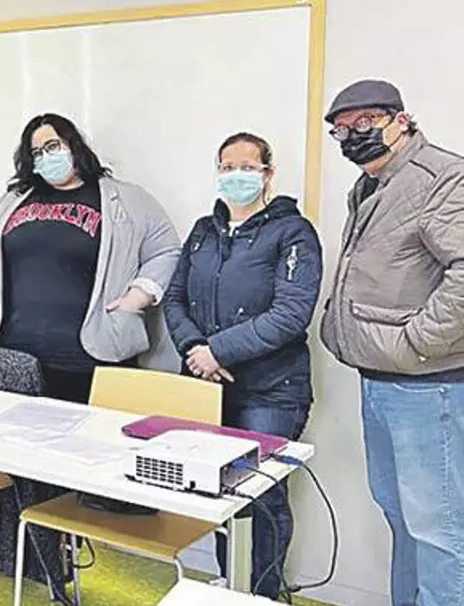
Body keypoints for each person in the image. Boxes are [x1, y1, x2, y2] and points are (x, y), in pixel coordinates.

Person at [320, 80, 464, 606]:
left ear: (401, 120)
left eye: (365, 122)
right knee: (401, 517)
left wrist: (417, 343)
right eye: (342, 129)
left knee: (439, 530)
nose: (352, 136)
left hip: (428, 385)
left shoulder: (441, 178)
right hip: (381, 379)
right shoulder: (370, 185)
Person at [162, 133, 322, 598]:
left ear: (268, 174)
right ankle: (229, 587)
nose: (236, 175)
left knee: (264, 495)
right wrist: (197, 350)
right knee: (217, 490)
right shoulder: (203, 231)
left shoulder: (294, 233)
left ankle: (263, 594)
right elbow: (174, 299)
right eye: (227, 166)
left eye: (247, 167)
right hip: (207, 387)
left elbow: (290, 315)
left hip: (271, 391)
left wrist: (218, 351)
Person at [0, 112, 180, 404]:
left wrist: (137, 298)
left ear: (73, 145)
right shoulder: (15, 199)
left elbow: (166, 249)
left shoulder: (125, 198)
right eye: (37, 152)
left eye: (52, 146)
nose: (46, 156)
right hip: (12, 354)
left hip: (90, 357)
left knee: (87, 432)